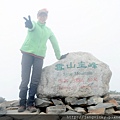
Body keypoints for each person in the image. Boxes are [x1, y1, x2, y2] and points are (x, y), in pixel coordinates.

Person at [18, 8, 68, 113]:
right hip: (27, 54)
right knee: (25, 80)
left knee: (35, 81)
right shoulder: (34, 25)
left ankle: (30, 104)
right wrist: (29, 24)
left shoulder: (48, 30)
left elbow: (55, 43)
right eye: (41, 15)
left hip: (39, 57)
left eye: (44, 15)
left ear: (47, 17)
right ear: (37, 16)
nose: (42, 17)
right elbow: (31, 26)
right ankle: (22, 103)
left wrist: (58, 56)